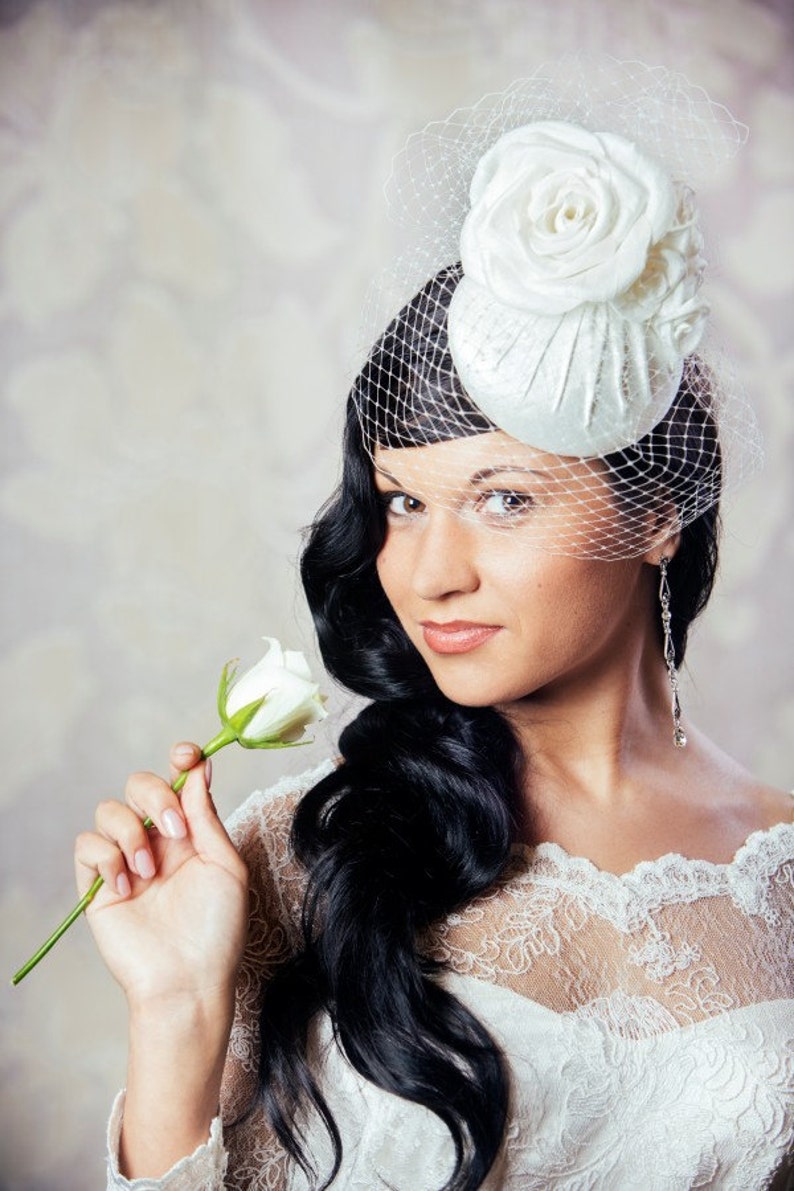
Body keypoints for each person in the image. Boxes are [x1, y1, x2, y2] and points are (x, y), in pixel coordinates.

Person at [77, 62, 793, 1190]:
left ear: (657, 512)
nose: (427, 573)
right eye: (402, 502)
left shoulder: (783, 868)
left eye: (502, 499)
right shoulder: (305, 852)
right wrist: (176, 1011)